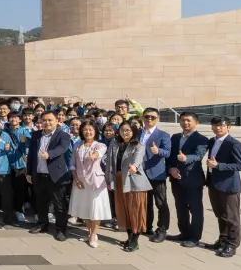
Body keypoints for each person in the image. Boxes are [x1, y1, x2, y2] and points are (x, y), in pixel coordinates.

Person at [26, 111, 73, 241]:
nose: (47, 122)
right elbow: (31, 155)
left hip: (56, 176)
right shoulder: (36, 135)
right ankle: (43, 224)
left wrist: (49, 154)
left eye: (50, 120)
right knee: (41, 203)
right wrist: (29, 172)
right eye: (44, 120)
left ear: (57, 121)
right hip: (39, 175)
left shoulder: (63, 135)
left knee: (59, 204)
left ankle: (61, 229)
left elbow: (62, 148)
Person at [165, 112, 208, 248]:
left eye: (189, 120)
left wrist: (186, 158)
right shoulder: (175, 137)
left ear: (196, 123)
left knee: (195, 209)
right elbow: (170, 157)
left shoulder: (202, 139)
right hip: (176, 179)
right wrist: (170, 169)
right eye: (183, 120)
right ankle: (183, 233)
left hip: (193, 179)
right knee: (180, 207)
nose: (185, 123)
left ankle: (194, 237)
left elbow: (198, 155)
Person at [205, 116, 241, 258]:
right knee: (220, 215)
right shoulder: (212, 141)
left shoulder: (234, 144)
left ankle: (232, 245)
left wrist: (218, 166)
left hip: (229, 186)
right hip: (214, 184)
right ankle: (222, 240)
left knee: (231, 217)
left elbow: (240, 165)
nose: (218, 128)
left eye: (221, 125)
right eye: (215, 125)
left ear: (229, 127)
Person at [107, 121, 150, 252]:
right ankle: (129, 236)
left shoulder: (139, 145)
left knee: (135, 210)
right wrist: (109, 180)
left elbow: (138, 158)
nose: (125, 133)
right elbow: (109, 163)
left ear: (133, 132)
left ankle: (135, 240)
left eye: (128, 130)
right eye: (122, 130)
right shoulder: (114, 144)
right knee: (124, 210)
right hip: (119, 180)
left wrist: (134, 166)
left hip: (134, 181)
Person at [69, 122, 110, 248]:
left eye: (90, 130)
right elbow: (72, 164)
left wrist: (94, 155)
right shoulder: (77, 145)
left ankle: (93, 235)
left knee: (96, 209)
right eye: (85, 130)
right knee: (84, 208)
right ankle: (90, 232)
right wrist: (76, 179)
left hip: (96, 182)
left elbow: (99, 153)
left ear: (95, 131)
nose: (88, 132)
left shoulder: (100, 145)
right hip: (80, 181)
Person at [139, 107, 172, 242]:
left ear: (157, 119)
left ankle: (162, 229)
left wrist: (158, 151)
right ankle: (146, 226)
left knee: (161, 203)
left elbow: (168, 152)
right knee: (145, 203)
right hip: (140, 174)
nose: (149, 119)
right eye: (147, 117)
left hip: (156, 174)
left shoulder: (163, 135)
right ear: (143, 117)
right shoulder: (138, 133)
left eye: (153, 117)